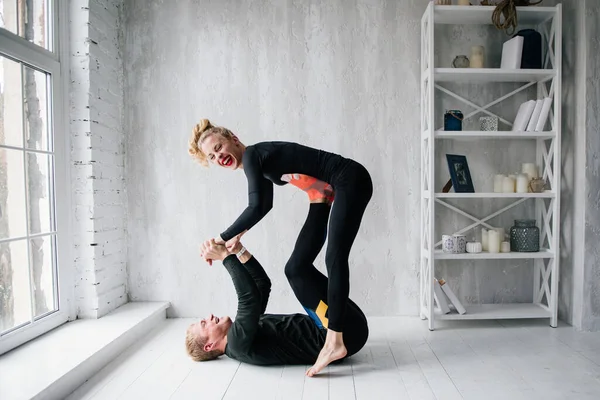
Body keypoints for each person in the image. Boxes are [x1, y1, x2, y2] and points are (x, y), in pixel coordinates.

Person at [188, 119, 373, 376]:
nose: (219, 156)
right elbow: (262, 205)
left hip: (349, 178)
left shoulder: (253, 154)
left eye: (219, 147)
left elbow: (257, 207)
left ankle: (334, 340)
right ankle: (334, 336)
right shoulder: (258, 165)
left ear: (233, 137)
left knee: (334, 258)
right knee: (295, 269)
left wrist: (221, 241)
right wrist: (235, 241)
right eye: (212, 156)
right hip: (330, 189)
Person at [185, 204, 369, 370]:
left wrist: (238, 250)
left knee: (297, 270)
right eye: (204, 323)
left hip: (341, 327)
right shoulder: (236, 344)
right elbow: (248, 299)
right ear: (209, 346)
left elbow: (262, 285)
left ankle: (320, 201)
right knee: (296, 271)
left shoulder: (243, 335)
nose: (208, 317)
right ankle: (319, 203)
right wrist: (225, 256)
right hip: (340, 335)